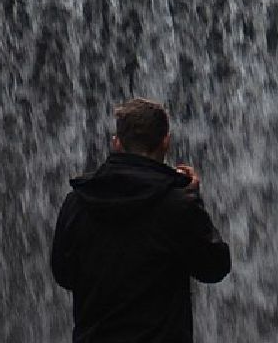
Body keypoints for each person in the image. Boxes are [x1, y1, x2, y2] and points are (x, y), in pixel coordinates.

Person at [51, 98, 232, 343]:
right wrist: (192, 198)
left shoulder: (77, 202)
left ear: (117, 143)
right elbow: (214, 266)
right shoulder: (177, 205)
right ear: (165, 142)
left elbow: (63, 274)